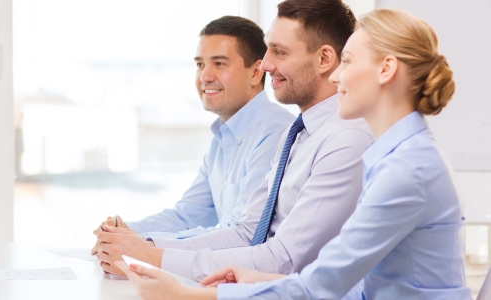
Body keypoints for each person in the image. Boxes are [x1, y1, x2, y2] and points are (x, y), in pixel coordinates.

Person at [116, 8, 471, 299]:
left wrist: (189, 294)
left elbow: (321, 283)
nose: (337, 78)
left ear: (386, 69)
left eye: (346, 62)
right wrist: (254, 281)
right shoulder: (394, 156)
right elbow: (346, 280)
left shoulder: (406, 168)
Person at [96, 0, 372, 284]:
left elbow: (283, 259)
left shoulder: (345, 139)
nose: (266, 64)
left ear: (324, 60)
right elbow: (247, 231)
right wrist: (142, 246)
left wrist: (151, 255)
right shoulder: (297, 133)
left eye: (278, 51)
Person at [91, 15, 294, 250]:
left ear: (256, 72)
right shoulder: (223, 139)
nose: (205, 76)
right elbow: (189, 215)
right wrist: (124, 231)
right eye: (200, 64)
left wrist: (144, 244)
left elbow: (243, 235)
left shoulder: (275, 133)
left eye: (219, 64)